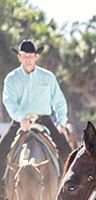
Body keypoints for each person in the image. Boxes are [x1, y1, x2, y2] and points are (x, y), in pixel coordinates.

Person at [0, 40, 72, 178]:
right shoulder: (11, 79)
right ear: (19, 57)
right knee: (1, 150)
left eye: (31, 56)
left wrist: (62, 124)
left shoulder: (48, 77)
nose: (28, 59)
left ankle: (67, 191)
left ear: (36, 57)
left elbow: (59, 102)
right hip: (20, 122)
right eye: (24, 56)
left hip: (44, 121)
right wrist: (21, 117)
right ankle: (2, 194)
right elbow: (9, 101)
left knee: (67, 152)